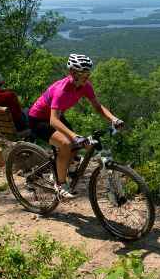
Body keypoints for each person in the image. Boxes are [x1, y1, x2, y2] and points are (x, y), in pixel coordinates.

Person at [26, 54, 123, 200]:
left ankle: (61, 170)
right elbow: (53, 120)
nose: (87, 75)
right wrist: (74, 136)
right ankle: (60, 184)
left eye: (88, 72)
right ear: (72, 72)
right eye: (83, 72)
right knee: (66, 143)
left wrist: (113, 119)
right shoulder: (61, 90)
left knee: (79, 143)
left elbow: (98, 107)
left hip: (56, 117)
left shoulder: (85, 86)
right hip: (38, 119)